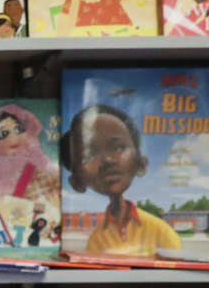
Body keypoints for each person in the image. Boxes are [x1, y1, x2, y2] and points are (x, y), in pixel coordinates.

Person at [63, 103, 183, 255]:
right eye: (89, 156)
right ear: (77, 182)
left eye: (118, 148)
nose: (107, 160)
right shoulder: (96, 239)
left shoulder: (161, 232)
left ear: (141, 164)